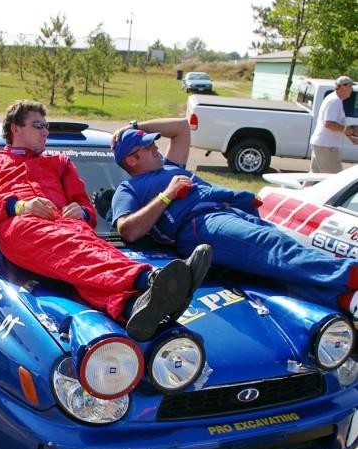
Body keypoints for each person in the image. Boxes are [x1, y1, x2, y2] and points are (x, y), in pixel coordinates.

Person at [0, 100, 212, 342]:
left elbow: (86, 207)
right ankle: (149, 279)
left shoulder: (59, 162)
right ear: (15, 128)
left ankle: (132, 306)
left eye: (46, 126)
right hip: (21, 227)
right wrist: (21, 206)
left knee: (86, 249)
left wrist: (82, 212)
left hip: (65, 226)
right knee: (69, 245)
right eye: (38, 125)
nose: (45, 131)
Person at [110, 119, 358, 319]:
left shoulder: (169, 166)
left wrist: (134, 127)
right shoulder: (129, 189)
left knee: (272, 270)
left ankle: (344, 299)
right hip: (199, 224)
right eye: (147, 146)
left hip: (227, 211)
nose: (155, 148)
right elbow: (128, 230)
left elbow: (181, 127)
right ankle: (350, 274)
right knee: (272, 245)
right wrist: (167, 195)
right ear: (132, 160)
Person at [309, 75, 358, 174]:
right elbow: (329, 124)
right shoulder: (335, 101)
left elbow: (336, 124)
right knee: (333, 178)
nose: (351, 90)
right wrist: (348, 130)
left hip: (322, 144)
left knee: (314, 175)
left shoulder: (335, 99)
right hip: (327, 146)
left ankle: (304, 190)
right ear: (343, 86)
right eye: (350, 87)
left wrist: (350, 136)